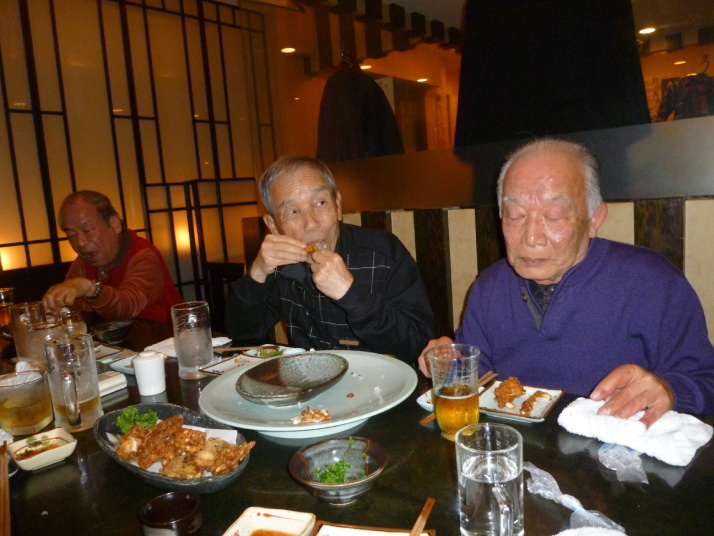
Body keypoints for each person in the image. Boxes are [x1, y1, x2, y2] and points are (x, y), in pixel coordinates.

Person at [419, 138, 714, 427]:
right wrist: (451, 364)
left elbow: (706, 380)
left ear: (594, 218)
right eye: (515, 215)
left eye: (554, 215)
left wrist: (669, 389)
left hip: (612, 452)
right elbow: (478, 380)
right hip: (512, 446)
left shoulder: (652, 282)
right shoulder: (489, 286)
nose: (531, 237)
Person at [225, 154, 434, 364]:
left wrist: (351, 294)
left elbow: (419, 344)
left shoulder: (384, 252)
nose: (311, 223)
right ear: (273, 226)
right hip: (306, 380)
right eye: (293, 211)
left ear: (338, 205)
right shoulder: (280, 265)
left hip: (381, 380)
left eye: (320, 202)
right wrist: (258, 272)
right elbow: (242, 334)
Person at [42, 191, 183, 324]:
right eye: (71, 235)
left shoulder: (143, 256)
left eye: (88, 230)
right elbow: (72, 304)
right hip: (116, 340)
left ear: (114, 224)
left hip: (161, 337)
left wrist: (90, 289)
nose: (80, 242)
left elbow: (127, 307)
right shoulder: (83, 262)